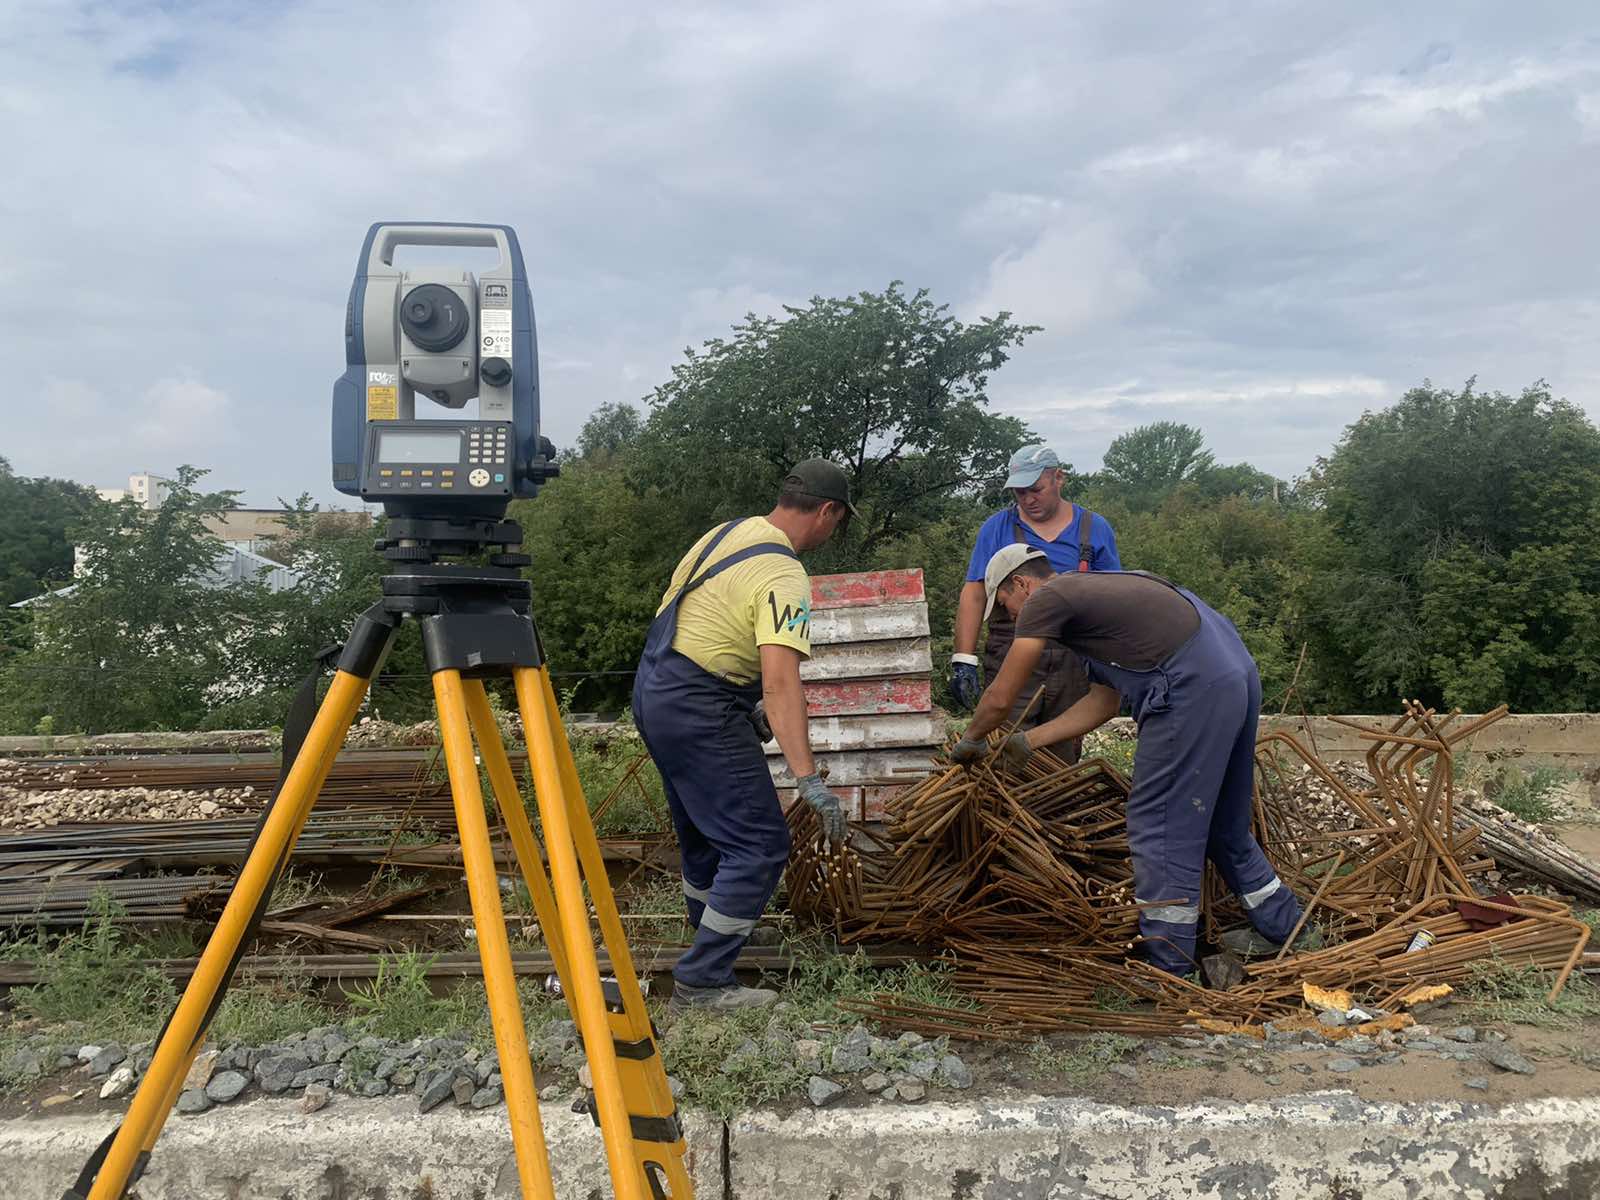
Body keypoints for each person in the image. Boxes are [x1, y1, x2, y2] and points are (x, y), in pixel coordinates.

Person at [950, 545, 1306, 976]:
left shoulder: (1047, 598)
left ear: (1021, 584)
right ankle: (1287, 929)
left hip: (1190, 685)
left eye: (1004, 605)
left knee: (1158, 824)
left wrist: (971, 739)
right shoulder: (1098, 604)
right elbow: (1103, 703)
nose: (1008, 618)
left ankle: (1169, 967)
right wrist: (1030, 740)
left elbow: (1001, 697)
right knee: (1222, 823)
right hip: (1234, 674)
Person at [633, 460, 857, 1011]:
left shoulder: (727, 533)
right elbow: (782, 684)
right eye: (838, 522)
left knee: (706, 833)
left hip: (657, 688)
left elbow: (699, 619)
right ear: (827, 511)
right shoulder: (784, 573)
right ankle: (704, 980)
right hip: (698, 706)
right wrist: (808, 780)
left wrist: (737, 696)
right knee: (759, 843)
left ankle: (712, 931)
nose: (833, 534)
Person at [949, 444, 1120, 763]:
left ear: (1059, 478)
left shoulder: (1094, 529)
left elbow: (1112, 600)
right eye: (1019, 493)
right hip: (1010, 648)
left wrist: (1109, 664)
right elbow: (974, 593)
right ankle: (1006, 811)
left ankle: (1051, 811)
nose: (1028, 499)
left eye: (1035, 490)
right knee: (1004, 751)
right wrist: (963, 658)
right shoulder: (997, 528)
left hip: (1073, 656)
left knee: (1060, 753)